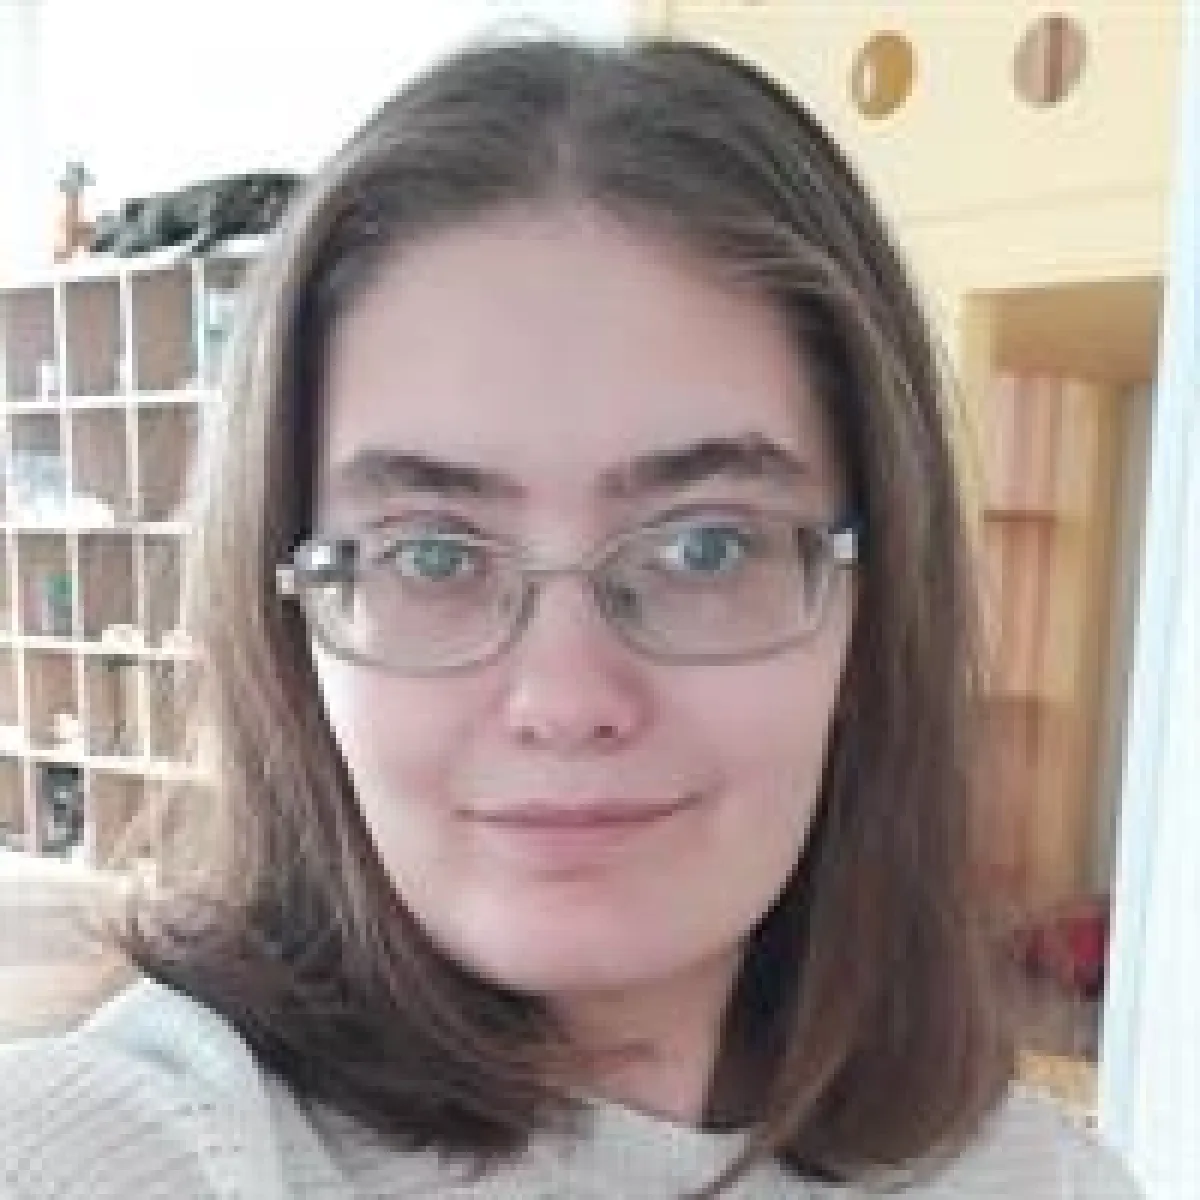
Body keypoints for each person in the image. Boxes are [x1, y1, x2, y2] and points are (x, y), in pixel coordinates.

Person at [0, 34, 1142, 1199]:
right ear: (291, 627)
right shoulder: (134, 1151)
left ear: (872, 608)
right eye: (433, 555)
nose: (565, 700)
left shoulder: (1044, 1180)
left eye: (705, 546)